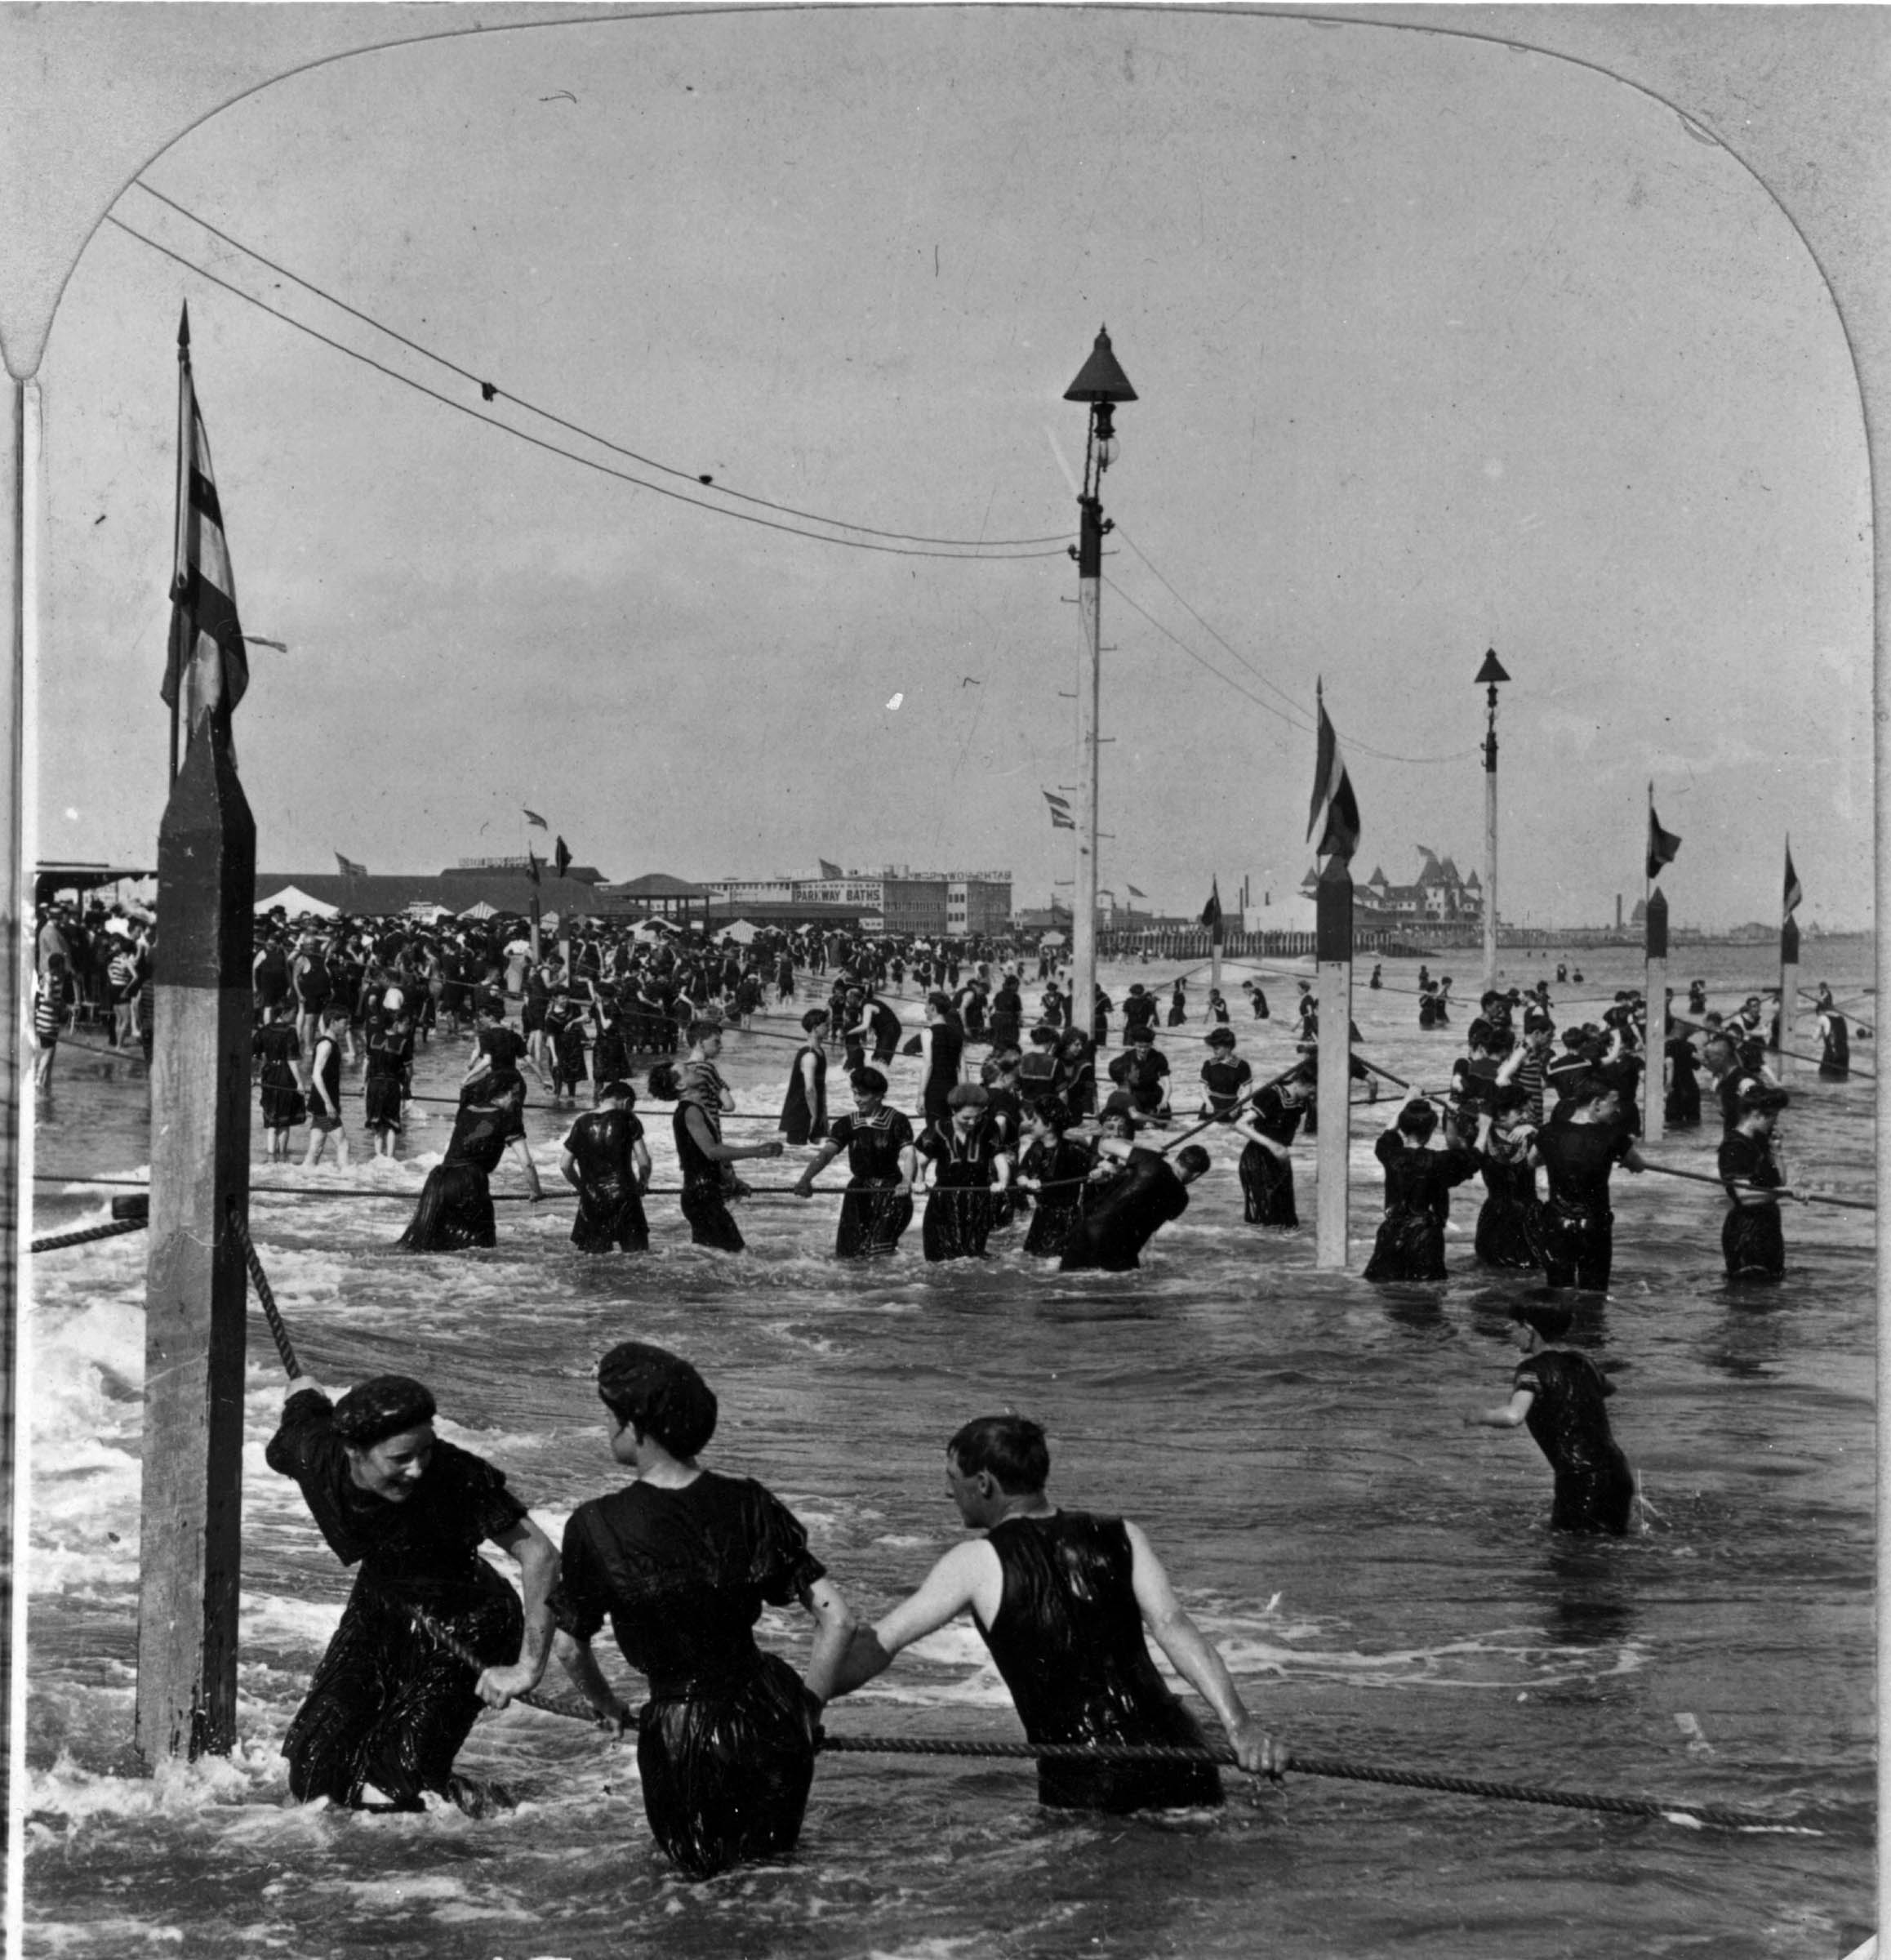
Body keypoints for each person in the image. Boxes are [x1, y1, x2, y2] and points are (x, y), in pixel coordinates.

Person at [822, 1414, 1281, 1811]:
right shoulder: (1122, 1534)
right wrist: (1240, 1727)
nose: (948, 1493)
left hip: (1089, 1774)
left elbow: (880, 1645)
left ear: (984, 1483)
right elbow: (1173, 1628)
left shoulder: (975, 1562)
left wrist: (806, 1698)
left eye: (952, 1479)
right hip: (1182, 1756)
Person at [533, 1343, 853, 1878]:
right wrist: (807, 1710)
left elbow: (569, 1646)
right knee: (775, 1877)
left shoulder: (596, 1524)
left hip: (682, 1728)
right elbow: (838, 1620)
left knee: (701, 1889)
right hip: (769, 1707)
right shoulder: (749, 1500)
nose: (607, 1430)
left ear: (636, 1428)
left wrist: (609, 1708)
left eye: (611, 1419)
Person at [265, 1371, 559, 1815]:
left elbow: (541, 1555)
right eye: (401, 1458)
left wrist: (527, 1668)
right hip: (382, 1606)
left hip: (470, 1622)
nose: (418, 1469)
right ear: (353, 1452)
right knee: (314, 1778)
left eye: (426, 1450)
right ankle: (454, 1793)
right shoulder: (313, 1454)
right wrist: (303, 1387)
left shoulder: (454, 1474)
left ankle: (497, 1812)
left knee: (389, 1795)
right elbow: (303, 1404)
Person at [1463, 1305, 1637, 1535]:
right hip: (1618, 1474)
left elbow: (1513, 1416)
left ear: (1529, 1328)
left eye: (1514, 1325)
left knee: (1572, 1559)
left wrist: (1480, 1415)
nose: (1510, 1331)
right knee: (1609, 1551)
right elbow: (1607, 1389)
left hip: (1579, 1479)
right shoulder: (1583, 1361)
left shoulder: (1531, 1369)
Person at [652, 1022, 784, 1253]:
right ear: (681, 1084)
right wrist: (757, 1151)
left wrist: (733, 1181)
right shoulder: (690, 1111)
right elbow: (712, 1151)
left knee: (713, 1258)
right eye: (689, 1071)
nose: (696, 1070)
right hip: (702, 1196)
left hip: (702, 1192)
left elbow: (707, 1160)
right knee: (735, 1254)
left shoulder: (695, 1109)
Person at [398, 1071, 545, 1250]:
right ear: (507, 1094)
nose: (516, 1103)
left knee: (431, 1246)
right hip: (469, 1183)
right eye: (516, 1097)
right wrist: (536, 1191)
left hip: (439, 1180)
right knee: (479, 1249)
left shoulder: (468, 1109)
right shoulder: (507, 1117)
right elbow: (527, 1162)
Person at [1530, 1073, 1647, 1292]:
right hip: (1594, 1226)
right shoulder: (1614, 1136)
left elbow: (1532, 1160)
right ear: (1596, 1104)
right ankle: (1591, 1326)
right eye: (1614, 1103)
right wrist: (1623, 1159)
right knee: (1593, 1294)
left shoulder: (1548, 1132)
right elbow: (1638, 1165)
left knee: (1558, 1291)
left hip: (1557, 1223)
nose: (1617, 1110)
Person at [794, 1066, 919, 1258]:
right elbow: (826, 1154)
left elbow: (909, 1154)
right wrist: (806, 1179)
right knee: (850, 1255)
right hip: (859, 1192)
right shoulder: (846, 1124)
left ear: (878, 1096)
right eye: (854, 1093)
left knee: (880, 1252)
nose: (856, 1099)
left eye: (862, 1095)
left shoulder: (897, 1120)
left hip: (891, 1191)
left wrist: (906, 1182)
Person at [1361, 1098, 1477, 1283]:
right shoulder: (1439, 1161)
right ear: (1431, 1130)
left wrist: (1407, 1098)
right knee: (1426, 1295)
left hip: (1392, 1233)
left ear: (1404, 1126)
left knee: (1389, 1293)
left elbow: (1388, 1133)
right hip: (1425, 1236)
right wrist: (1456, 1120)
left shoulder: (1391, 1156)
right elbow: (1468, 1157)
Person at [1059, 1136, 1210, 1273]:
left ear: (1178, 1158)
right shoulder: (1181, 1200)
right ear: (1196, 1175)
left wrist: (1143, 1148)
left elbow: (1105, 1143)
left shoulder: (1149, 1160)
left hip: (1090, 1233)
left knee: (1066, 1285)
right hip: (1122, 1251)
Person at [917, 1083, 1012, 1262]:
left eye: (977, 1117)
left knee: (971, 1258)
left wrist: (1002, 1182)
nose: (972, 1123)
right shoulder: (938, 1128)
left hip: (977, 1198)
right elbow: (921, 1162)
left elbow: (999, 1157)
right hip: (944, 1200)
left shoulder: (988, 1126)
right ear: (953, 1110)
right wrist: (919, 1181)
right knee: (940, 1259)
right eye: (966, 1118)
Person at [561, 1080, 652, 1253]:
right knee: (638, 1257)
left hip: (593, 1200)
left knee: (594, 1262)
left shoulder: (581, 1123)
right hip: (625, 1196)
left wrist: (582, 1187)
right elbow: (644, 1161)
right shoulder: (628, 1119)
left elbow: (565, 1165)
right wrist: (643, 1183)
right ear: (626, 1102)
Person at [1719, 1080, 1789, 1281]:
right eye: (1773, 1118)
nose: (1775, 1124)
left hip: (1768, 1228)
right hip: (1746, 1231)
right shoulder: (1734, 1146)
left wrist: (1777, 1150)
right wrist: (1786, 1193)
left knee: (1771, 1290)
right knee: (1751, 1295)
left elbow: (1780, 1183)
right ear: (1756, 1115)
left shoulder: (1759, 1141)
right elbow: (1745, 1197)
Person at [1230, 1061, 1314, 1228]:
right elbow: (1240, 1124)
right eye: (1312, 1092)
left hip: (1279, 1162)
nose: (1313, 1098)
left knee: (1287, 1222)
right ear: (1301, 1083)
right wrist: (1272, 1145)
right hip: (1257, 1161)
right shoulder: (1272, 1096)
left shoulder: (1299, 1101)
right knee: (1266, 1221)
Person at [1471, 1085, 1542, 1271]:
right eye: (1519, 1112)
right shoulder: (1483, 1137)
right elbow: (1457, 1147)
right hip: (1496, 1216)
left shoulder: (1532, 1137)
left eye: (1527, 1112)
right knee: (1492, 1268)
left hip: (1528, 1216)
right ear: (1501, 1114)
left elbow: (1559, 1152)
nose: (1526, 1117)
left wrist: (1536, 1133)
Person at [302, 1005, 352, 1169]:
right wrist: (328, 1104)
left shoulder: (331, 1043)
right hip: (323, 1103)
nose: (347, 1027)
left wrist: (334, 1103)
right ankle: (347, 1179)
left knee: (316, 1146)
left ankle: (305, 1176)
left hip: (321, 1102)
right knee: (343, 1143)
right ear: (333, 1022)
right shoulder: (326, 1045)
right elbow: (316, 1075)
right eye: (344, 1023)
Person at [777, 1008, 830, 1145]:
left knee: (819, 1151)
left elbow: (821, 1085)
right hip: (800, 1113)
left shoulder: (820, 1051)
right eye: (826, 1025)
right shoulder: (809, 1055)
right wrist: (814, 1116)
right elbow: (809, 1089)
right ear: (814, 1028)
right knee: (797, 1156)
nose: (829, 1028)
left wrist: (823, 1112)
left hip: (815, 1110)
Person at [917, 991, 965, 1129]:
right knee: (951, 1131)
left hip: (934, 1090)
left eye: (926, 1005)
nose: (924, 1009)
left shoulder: (928, 1033)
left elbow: (928, 1065)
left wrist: (921, 1095)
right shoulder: (957, 1035)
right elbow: (962, 1068)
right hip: (954, 1090)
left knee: (934, 1131)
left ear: (933, 1007)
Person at [1106, 1021, 1172, 1119]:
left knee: (1163, 1124)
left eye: (1146, 1047)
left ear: (1151, 1044)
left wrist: (1165, 1100)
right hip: (1135, 1096)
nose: (1143, 1050)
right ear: (1134, 1044)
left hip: (1154, 1096)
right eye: (1139, 1047)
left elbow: (1167, 1083)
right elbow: (1114, 1069)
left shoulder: (1158, 1058)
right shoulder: (1128, 1057)